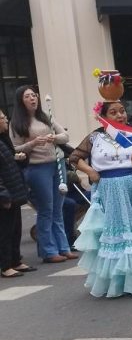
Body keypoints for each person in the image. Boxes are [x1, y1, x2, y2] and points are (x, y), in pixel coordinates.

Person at [69, 101, 132, 297]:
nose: (120, 115)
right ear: (103, 117)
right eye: (113, 112)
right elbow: (74, 158)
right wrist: (91, 171)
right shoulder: (95, 137)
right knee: (119, 233)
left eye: (122, 111)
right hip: (110, 189)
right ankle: (118, 281)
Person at [10, 86, 76, 263]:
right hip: (37, 168)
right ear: (20, 101)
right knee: (46, 209)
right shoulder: (17, 123)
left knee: (58, 208)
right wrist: (32, 143)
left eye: (34, 95)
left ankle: (64, 247)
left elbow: (65, 136)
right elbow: (15, 148)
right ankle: (48, 250)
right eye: (27, 96)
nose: (33, 98)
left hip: (57, 163)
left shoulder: (46, 116)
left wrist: (55, 138)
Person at [0, 110, 36, 278]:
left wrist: (20, 159)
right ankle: (5, 265)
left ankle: (16, 261)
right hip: (5, 195)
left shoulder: (4, 140)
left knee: (15, 230)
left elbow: (10, 165)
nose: (5, 120)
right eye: (1, 118)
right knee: (5, 231)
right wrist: (3, 194)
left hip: (14, 191)